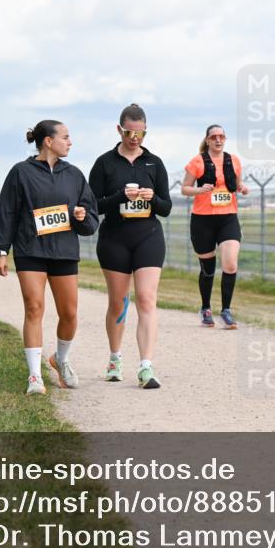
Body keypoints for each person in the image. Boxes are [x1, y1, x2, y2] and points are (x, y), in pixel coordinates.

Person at [0, 120, 99, 395]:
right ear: (48, 141)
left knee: (70, 313)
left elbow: (90, 217)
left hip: (64, 252)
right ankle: (34, 376)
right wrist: (1, 251)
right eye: (66, 137)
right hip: (30, 250)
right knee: (34, 308)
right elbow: (7, 212)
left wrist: (82, 216)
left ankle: (61, 360)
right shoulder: (21, 173)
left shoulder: (74, 175)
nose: (70, 142)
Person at [88, 103, 171, 389]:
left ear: (146, 131)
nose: (134, 138)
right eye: (129, 132)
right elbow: (93, 206)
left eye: (140, 133)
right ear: (119, 129)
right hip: (114, 238)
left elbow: (166, 207)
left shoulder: (155, 163)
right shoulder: (104, 163)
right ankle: (114, 358)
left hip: (148, 235)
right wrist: (119, 196)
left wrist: (151, 199)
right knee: (118, 302)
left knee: (147, 299)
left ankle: (146, 366)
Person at [181, 124, 250, 329]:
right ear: (208, 140)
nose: (218, 140)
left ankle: (226, 310)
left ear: (225, 139)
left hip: (228, 217)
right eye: (214, 137)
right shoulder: (197, 162)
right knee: (208, 269)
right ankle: (205, 308)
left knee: (230, 264)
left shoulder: (234, 161)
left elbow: (238, 184)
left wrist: (243, 188)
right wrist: (200, 189)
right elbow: (185, 189)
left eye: (221, 136)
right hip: (203, 220)